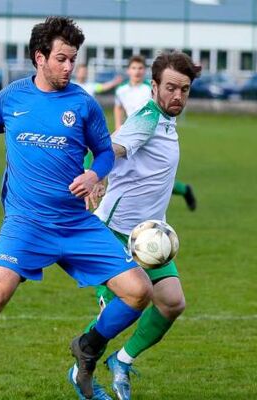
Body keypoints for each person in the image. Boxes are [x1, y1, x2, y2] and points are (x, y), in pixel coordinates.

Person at [0, 16, 153, 400]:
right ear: (39, 57)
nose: (69, 67)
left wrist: (94, 174)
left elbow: (104, 153)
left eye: (73, 59)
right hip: (26, 224)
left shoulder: (83, 104)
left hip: (76, 223)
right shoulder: (11, 98)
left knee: (139, 291)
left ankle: (88, 347)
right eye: (61, 59)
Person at [68, 51, 201, 400]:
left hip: (150, 236)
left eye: (184, 89)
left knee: (172, 302)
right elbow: (110, 146)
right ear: (154, 86)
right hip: (117, 233)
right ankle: (80, 372)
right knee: (123, 309)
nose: (178, 95)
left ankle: (122, 361)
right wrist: (95, 175)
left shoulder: (166, 120)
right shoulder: (147, 118)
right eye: (170, 88)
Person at [114, 55, 197, 211]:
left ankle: (184, 190)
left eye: (140, 68)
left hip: (148, 130)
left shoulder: (150, 91)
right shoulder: (122, 90)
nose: (137, 71)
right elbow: (118, 108)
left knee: (158, 175)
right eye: (134, 68)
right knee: (150, 176)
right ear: (128, 70)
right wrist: (119, 126)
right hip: (135, 130)